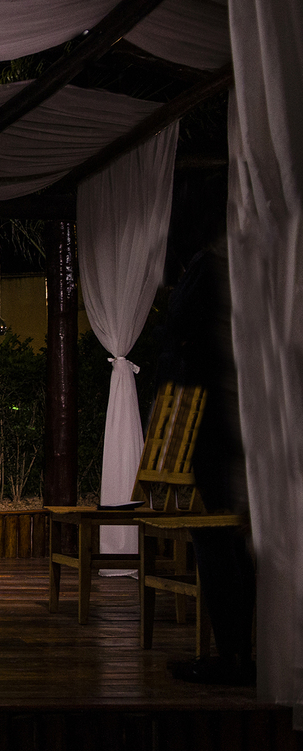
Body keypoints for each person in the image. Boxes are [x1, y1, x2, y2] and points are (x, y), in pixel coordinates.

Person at [156, 239, 256, 686]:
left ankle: (233, 652)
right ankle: (240, 650)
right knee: (232, 538)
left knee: (216, 536)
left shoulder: (208, 265)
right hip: (237, 414)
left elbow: (179, 324)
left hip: (212, 418)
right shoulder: (245, 265)